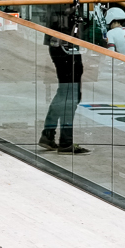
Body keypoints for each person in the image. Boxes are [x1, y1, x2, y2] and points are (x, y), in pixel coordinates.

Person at [42, 9, 87, 154]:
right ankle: (65, 141)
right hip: (64, 46)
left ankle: (49, 134)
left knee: (65, 92)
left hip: (67, 45)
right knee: (70, 93)